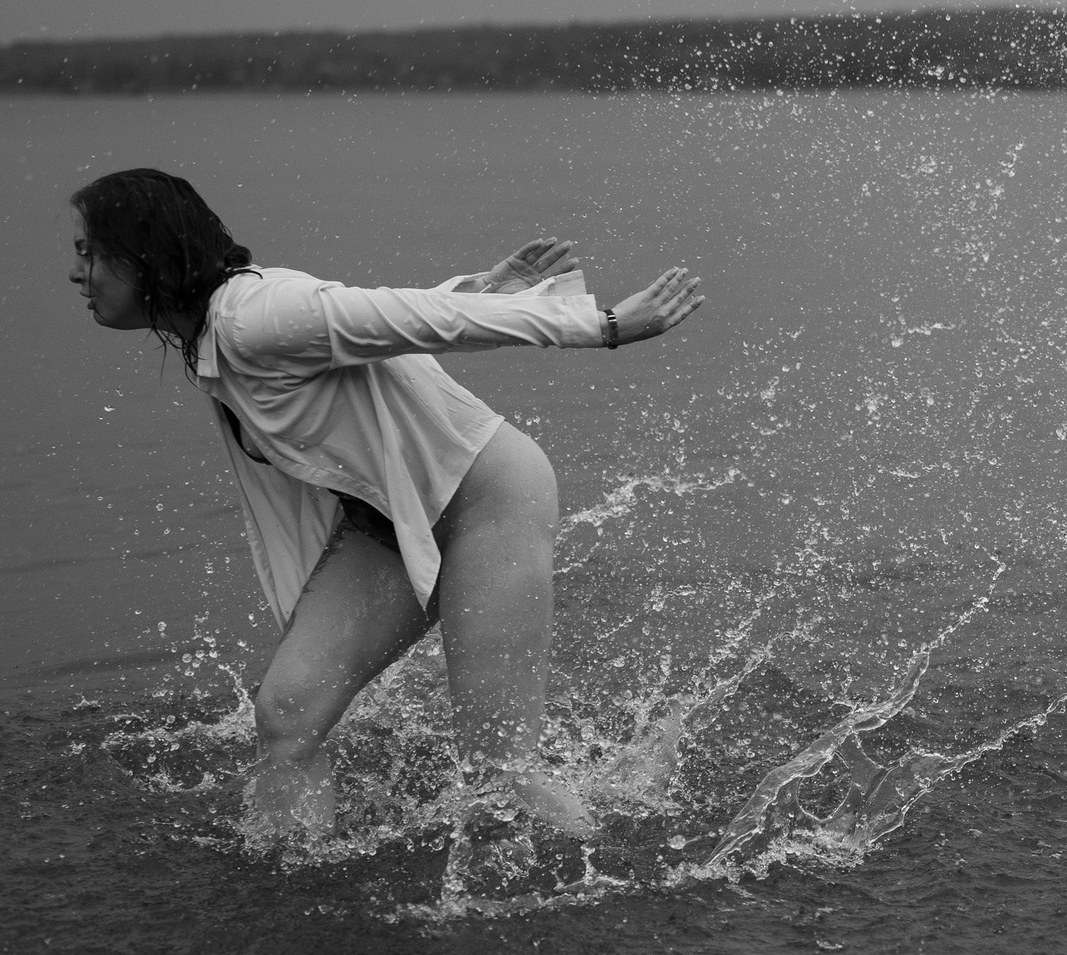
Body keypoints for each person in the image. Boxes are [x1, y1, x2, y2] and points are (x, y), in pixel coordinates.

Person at [67, 168, 702, 843]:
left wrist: (601, 324)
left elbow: (399, 317)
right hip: (392, 527)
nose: (78, 273)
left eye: (88, 251)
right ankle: (295, 874)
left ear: (143, 253)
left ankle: (624, 865)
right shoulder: (215, 334)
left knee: (499, 770)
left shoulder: (254, 314)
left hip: (487, 501)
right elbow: (372, 325)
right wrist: (482, 289)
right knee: (287, 716)